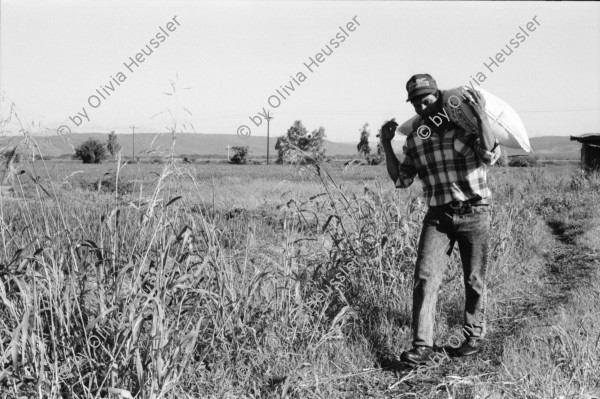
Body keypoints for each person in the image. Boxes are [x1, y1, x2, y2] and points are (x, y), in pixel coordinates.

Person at [379, 73, 500, 366]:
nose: (422, 106)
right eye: (416, 102)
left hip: (475, 211)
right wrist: (386, 144)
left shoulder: (465, 126)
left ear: (440, 96)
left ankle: (473, 337)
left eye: (427, 98)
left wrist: (482, 115)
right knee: (424, 277)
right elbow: (402, 180)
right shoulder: (416, 138)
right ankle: (423, 346)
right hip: (438, 216)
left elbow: (490, 155)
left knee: (474, 279)